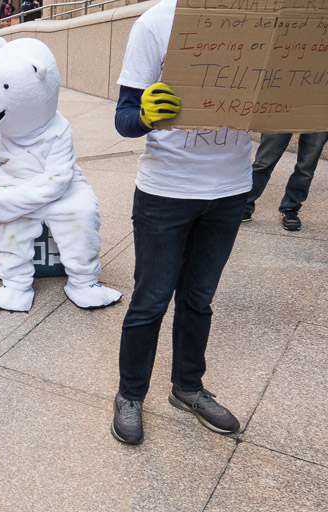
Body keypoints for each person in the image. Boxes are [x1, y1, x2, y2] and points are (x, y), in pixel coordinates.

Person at [111, 0, 249, 445]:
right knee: (150, 300)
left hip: (230, 190)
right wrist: (146, 116)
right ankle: (130, 395)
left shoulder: (258, 21)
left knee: (200, 299)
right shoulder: (156, 23)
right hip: (166, 192)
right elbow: (124, 118)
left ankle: (187, 388)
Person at [242, 132, 328, 231]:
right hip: (279, 116)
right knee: (263, 163)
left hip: (319, 117)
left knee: (306, 168)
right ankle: (244, 205)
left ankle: (291, 207)